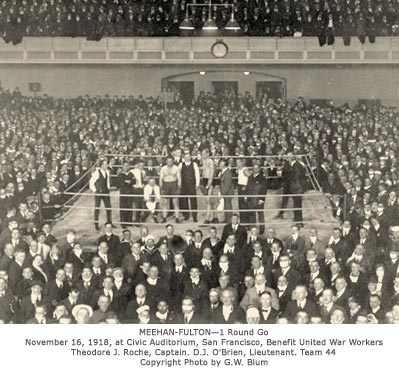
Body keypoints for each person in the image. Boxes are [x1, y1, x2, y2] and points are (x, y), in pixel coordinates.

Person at [276, 153, 307, 226]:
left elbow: (296, 177)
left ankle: (299, 222)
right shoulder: (290, 164)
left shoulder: (297, 165)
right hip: (292, 187)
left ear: (293, 158)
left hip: (296, 188)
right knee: (296, 205)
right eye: (287, 157)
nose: (287, 158)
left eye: (289, 157)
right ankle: (298, 221)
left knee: (297, 205)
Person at [89, 160, 112, 230]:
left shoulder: (107, 172)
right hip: (98, 192)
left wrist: (108, 188)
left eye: (106, 164)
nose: (106, 166)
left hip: (106, 192)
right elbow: (91, 182)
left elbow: (107, 181)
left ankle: (109, 222)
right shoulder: (97, 172)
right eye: (104, 164)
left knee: (108, 207)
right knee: (97, 208)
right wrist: (95, 190)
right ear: (101, 165)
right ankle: (96, 224)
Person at [178, 151, 200, 222]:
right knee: (184, 201)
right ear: (184, 158)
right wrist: (179, 184)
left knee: (193, 201)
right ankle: (186, 215)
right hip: (184, 185)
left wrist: (197, 184)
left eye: (188, 157)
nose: (187, 158)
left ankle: (194, 216)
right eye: (186, 157)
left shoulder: (194, 164)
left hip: (192, 185)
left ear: (190, 157)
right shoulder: (181, 165)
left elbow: (197, 175)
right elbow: (178, 175)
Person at [159, 156, 181, 223]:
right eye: (168, 161)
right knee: (165, 203)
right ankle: (164, 217)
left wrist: (179, 187)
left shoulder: (176, 168)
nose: (169, 162)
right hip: (166, 185)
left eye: (171, 161)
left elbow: (179, 178)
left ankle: (177, 218)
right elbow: (161, 179)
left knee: (175, 202)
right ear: (166, 161)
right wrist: (161, 188)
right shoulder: (163, 168)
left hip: (174, 185)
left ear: (173, 161)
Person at [118, 161, 135, 228]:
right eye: (125, 166)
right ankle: (123, 223)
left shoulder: (131, 173)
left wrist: (127, 181)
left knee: (129, 207)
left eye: (127, 166)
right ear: (122, 167)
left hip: (130, 192)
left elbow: (134, 181)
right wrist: (127, 182)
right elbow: (120, 183)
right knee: (123, 207)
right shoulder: (120, 174)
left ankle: (129, 222)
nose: (126, 167)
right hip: (123, 192)